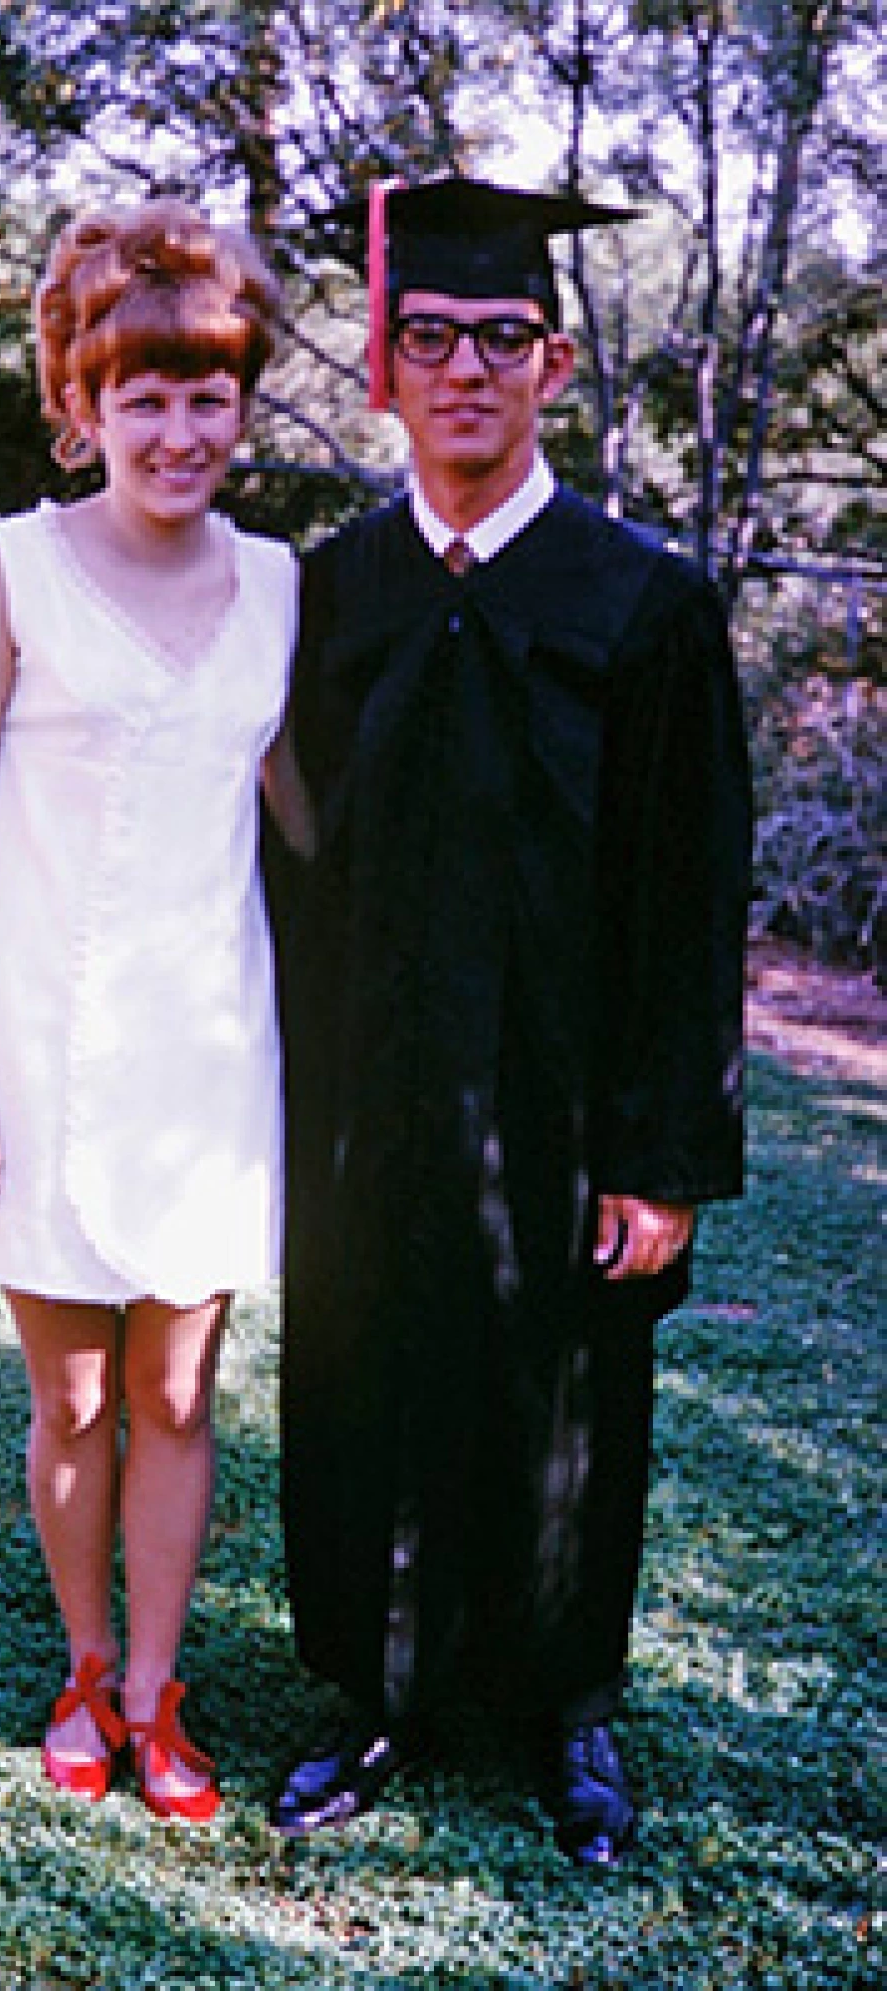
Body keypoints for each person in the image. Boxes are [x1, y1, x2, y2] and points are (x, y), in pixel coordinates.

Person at [266, 176, 752, 1865]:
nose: (465, 368)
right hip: (371, 1086)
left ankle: (565, 1705)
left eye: (501, 339)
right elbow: (277, 853)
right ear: (388, 369)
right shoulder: (331, 594)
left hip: (565, 1093)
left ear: (554, 365)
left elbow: (694, 899)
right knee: (371, 1362)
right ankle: (378, 1691)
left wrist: (664, 1150)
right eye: (430, 338)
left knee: (569, 1386)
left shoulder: (645, 603)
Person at [0, 199, 312, 1823]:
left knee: (179, 1391)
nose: (178, 429)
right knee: (73, 1392)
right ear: (81, 403)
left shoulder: (285, 588)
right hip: (37, 1039)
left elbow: (304, 820)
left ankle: (159, 1690)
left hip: (206, 1052)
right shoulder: (8, 570)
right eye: (141, 395)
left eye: (208, 394)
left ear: (244, 404)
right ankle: (84, 1663)